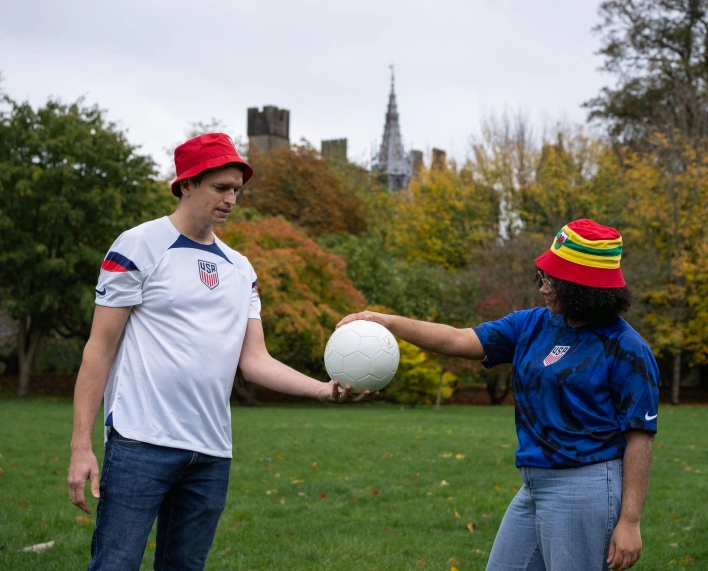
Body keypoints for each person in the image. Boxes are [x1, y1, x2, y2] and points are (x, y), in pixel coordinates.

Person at [67, 133, 371, 571]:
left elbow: (254, 360)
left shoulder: (240, 268)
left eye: (236, 191)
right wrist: (81, 446)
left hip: (211, 452)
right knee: (115, 564)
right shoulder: (138, 246)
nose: (231, 199)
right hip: (140, 443)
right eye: (221, 187)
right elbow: (99, 349)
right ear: (187, 184)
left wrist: (323, 391)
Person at [338, 219, 659, 571]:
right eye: (543, 278)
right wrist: (387, 322)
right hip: (534, 484)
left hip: (585, 489)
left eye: (554, 281)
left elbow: (640, 437)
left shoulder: (626, 348)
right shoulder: (532, 325)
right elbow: (458, 340)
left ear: (585, 287)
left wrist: (629, 521)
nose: (543, 289)